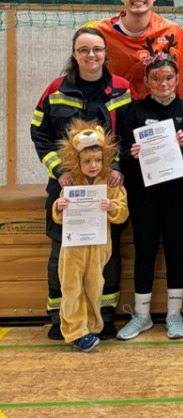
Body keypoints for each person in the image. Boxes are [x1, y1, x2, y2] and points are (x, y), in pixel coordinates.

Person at [30, 27, 132, 341]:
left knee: (107, 254)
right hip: (65, 187)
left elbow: (128, 135)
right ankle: (60, 317)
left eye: (97, 49)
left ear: (106, 53)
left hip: (107, 187)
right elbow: (39, 133)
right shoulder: (55, 89)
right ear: (74, 54)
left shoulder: (122, 89)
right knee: (61, 253)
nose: (91, 55)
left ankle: (103, 315)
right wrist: (59, 170)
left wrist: (117, 167)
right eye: (84, 50)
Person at [115, 49, 183, 340]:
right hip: (144, 195)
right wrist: (132, 153)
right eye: (156, 79)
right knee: (145, 250)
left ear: (177, 80)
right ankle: (142, 315)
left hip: (177, 194)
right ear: (147, 81)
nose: (163, 84)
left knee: (176, 248)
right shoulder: (134, 112)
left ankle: (174, 314)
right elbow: (121, 153)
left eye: (168, 78)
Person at [50, 121, 129, 352]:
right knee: (71, 287)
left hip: (98, 246)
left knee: (95, 287)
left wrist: (112, 207)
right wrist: (59, 206)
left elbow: (123, 213)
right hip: (73, 247)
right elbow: (59, 216)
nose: (93, 165)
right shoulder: (71, 182)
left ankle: (92, 327)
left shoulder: (112, 183)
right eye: (87, 161)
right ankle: (75, 332)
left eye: (97, 160)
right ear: (77, 161)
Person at [89, 0, 183, 114]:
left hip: (158, 115)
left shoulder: (172, 32)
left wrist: (182, 118)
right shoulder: (101, 32)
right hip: (114, 112)